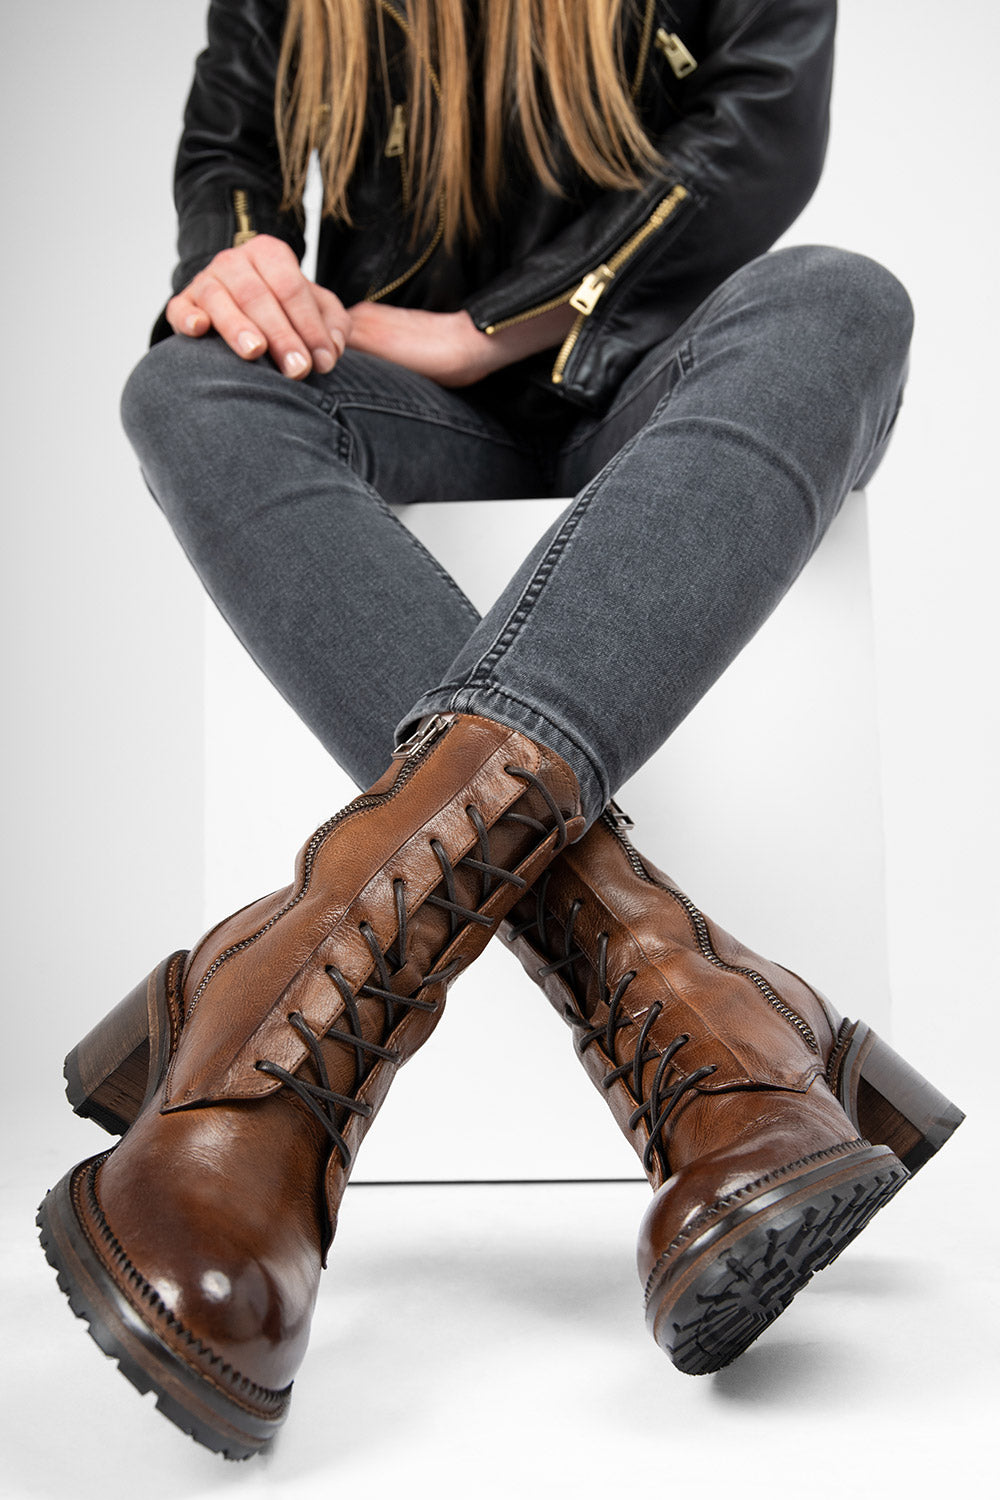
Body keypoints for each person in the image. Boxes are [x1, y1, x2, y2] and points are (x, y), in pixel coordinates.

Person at [37, 0, 962, 1460]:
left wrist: (486, 332)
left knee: (840, 299)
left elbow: (756, 127)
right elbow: (231, 154)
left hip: (650, 366)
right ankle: (705, 1003)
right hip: (386, 407)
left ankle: (267, 997)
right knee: (189, 379)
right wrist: (244, 264)